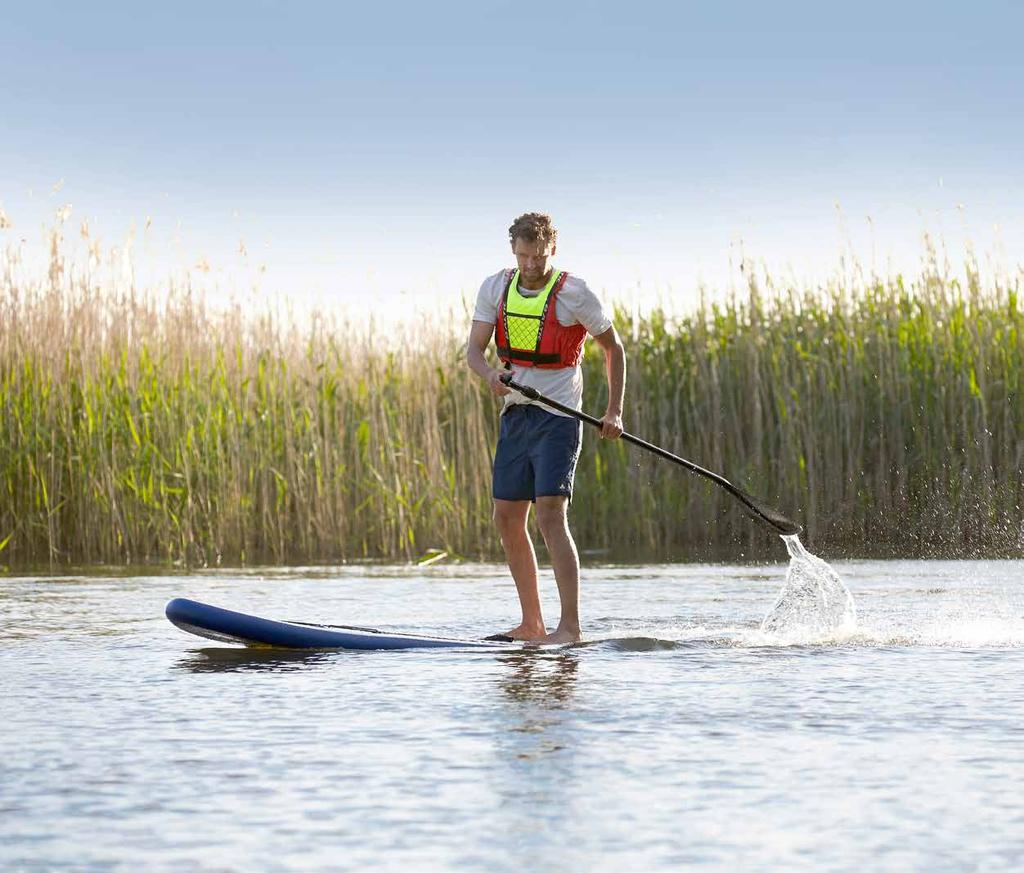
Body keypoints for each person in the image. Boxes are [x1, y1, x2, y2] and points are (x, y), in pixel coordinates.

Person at [466, 212, 625, 644]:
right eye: (523, 256)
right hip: (516, 415)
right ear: (513, 250)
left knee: (551, 516)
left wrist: (614, 412)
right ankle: (531, 624)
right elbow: (475, 352)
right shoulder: (495, 287)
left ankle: (569, 627)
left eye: (538, 256)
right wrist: (490, 377)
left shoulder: (574, 292)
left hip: (559, 419)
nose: (531, 265)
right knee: (506, 517)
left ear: (551, 249)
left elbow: (614, 349)